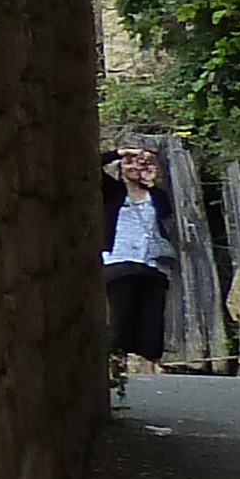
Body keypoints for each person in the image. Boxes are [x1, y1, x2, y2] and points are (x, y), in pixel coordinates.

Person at [102, 143, 175, 391]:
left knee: (153, 318)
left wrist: (152, 183)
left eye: (140, 164)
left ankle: (149, 369)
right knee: (120, 316)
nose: (134, 168)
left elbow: (165, 213)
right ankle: (117, 366)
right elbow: (89, 165)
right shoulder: (111, 190)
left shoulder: (154, 195)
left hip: (151, 262)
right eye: (129, 164)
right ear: (120, 168)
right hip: (118, 260)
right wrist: (119, 153)